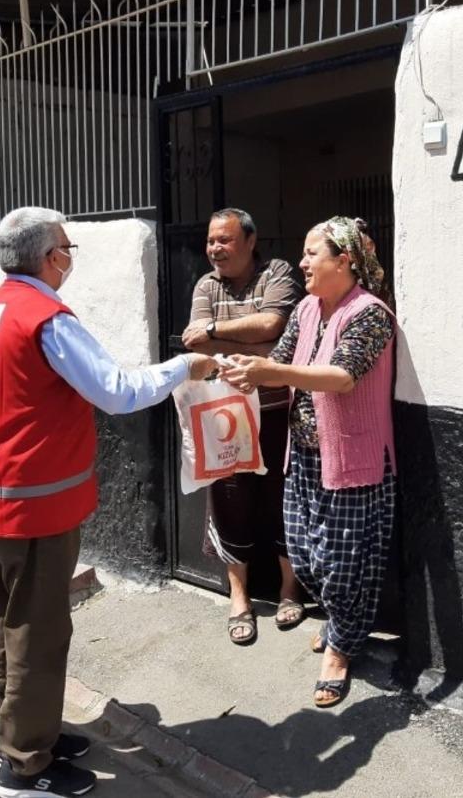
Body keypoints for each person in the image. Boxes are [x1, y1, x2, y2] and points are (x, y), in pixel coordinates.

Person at [0, 207, 218, 798]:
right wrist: (185, 366)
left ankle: (31, 731)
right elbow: (117, 391)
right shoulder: (46, 317)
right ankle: (25, 766)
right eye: (67, 248)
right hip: (35, 507)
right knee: (38, 632)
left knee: (9, 623)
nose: (70, 258)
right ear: (51, 257)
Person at [222, 216, 396, 710]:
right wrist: (242, 371)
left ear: (344, 261)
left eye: (311, 254)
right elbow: (279, 357)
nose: (301, 263)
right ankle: (343, 623)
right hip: (302, 456)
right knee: (305, 553)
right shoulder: (306, 308)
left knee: (344, 566)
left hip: (353, 458)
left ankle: (339, 651)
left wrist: (269, 369)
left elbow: (342, 376)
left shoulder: (371, 314)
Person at [181, 208, 305, 645]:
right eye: (211, 241)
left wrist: (218, 332)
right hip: (226, 414)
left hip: (275, 410)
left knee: (281, 498)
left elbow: (275, 329)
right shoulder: (205, 284)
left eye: (225, 240)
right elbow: (195, 343)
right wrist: (250, 343)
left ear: (251, 241)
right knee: (230, 501)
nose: (215, 248)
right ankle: (240, 597)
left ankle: (291, 590)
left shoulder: (278, 273)